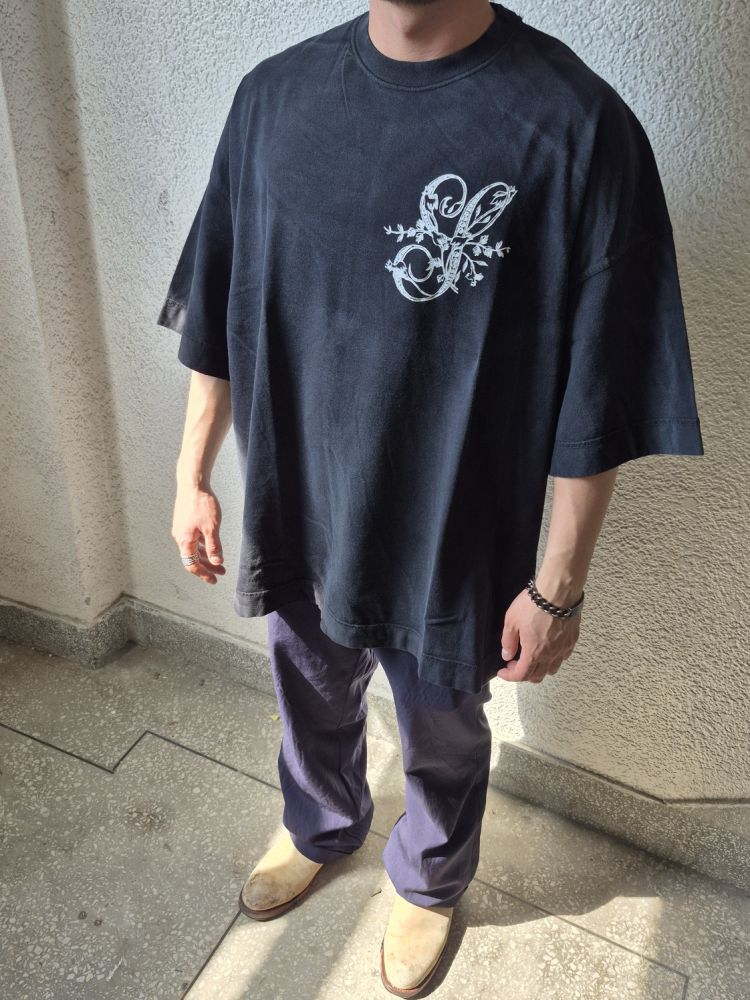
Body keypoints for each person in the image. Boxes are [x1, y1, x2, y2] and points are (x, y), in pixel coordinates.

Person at [156, 0, 704, 994]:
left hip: (455, 531)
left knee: (443, 726)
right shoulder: (273, 100)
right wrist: (191, 473)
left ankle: (430, 877)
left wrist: (557, 586)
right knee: (307, 688)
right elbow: (219, 306)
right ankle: (320, 823)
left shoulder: (577, 127)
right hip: (300, 503)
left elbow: (604, 389)